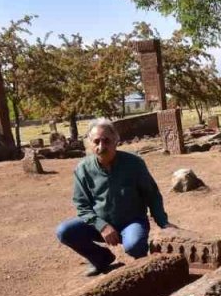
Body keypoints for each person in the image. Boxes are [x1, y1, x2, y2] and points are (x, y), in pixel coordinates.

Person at [55, 118, 169, 276]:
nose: (101, 146)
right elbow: (82, 205)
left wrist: (163, 223)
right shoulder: (83, 169)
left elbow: (152, 195)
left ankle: (144, 269)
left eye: (106, 140)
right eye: (96, 141)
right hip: (99, 225)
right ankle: (101, 258)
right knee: (65, 231)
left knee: (134, 245)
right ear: (89, 143)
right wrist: (102, 225)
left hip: (131, 222)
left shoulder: (134, 164)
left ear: (116, 141)